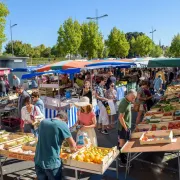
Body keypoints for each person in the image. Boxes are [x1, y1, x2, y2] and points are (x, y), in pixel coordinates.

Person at [34, 111, 76, 180]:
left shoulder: (43, 122)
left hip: (39, 160)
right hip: (52, 163)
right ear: (64, 120)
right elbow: (73, 145)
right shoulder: (62, 124)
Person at [118, 89, 137, 166]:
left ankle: (121, 156)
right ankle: (123, 161)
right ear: (128, 95)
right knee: (123, 143)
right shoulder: (124, 103)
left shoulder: (127, 101)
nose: (133, 99)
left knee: (122, 142)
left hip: (125, 126)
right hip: (123, 126)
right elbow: (120, 117)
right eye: (132, 97)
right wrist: (125, 127)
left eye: (134, 98)